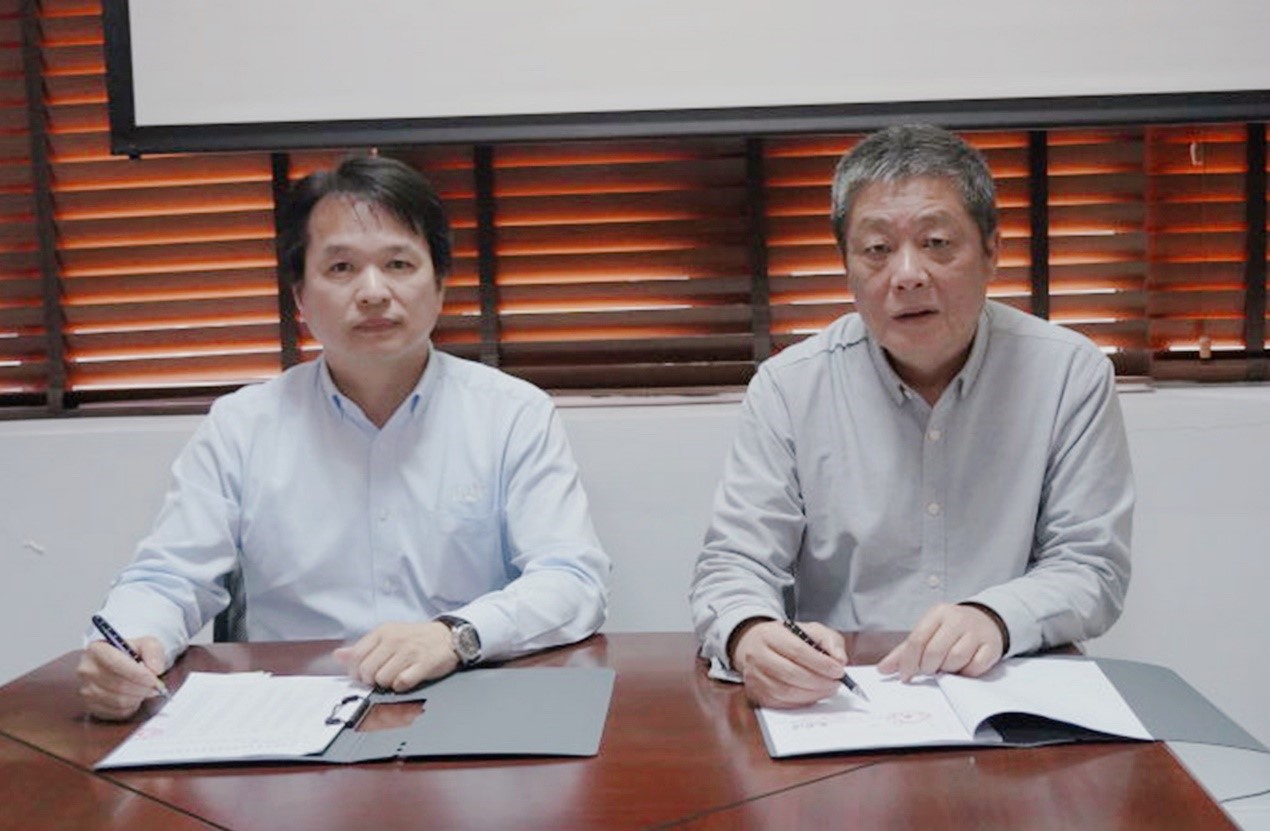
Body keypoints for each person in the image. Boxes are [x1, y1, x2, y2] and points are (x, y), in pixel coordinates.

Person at [78, 155, 611, 720]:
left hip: (472, 699)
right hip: (287, 712)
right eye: (341, 268)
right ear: (300, 296)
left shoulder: (512, 414)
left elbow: (572, 580)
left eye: (399, 263)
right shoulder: (243, 425)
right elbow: (168, 578)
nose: (373, 291)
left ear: (440, 285)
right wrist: (130, 644)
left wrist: (455, 635)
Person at [690, 124, 1133, 708]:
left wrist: (995, 617)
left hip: (1010, 692)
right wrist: (751, 635)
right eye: (877, 250)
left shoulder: (1068, 373)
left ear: (992, 250)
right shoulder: (789, 387)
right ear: (847, 264)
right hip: (843, 700)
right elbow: (733, 564)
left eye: (937, 243)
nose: (906, 275)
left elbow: (1092, 566)